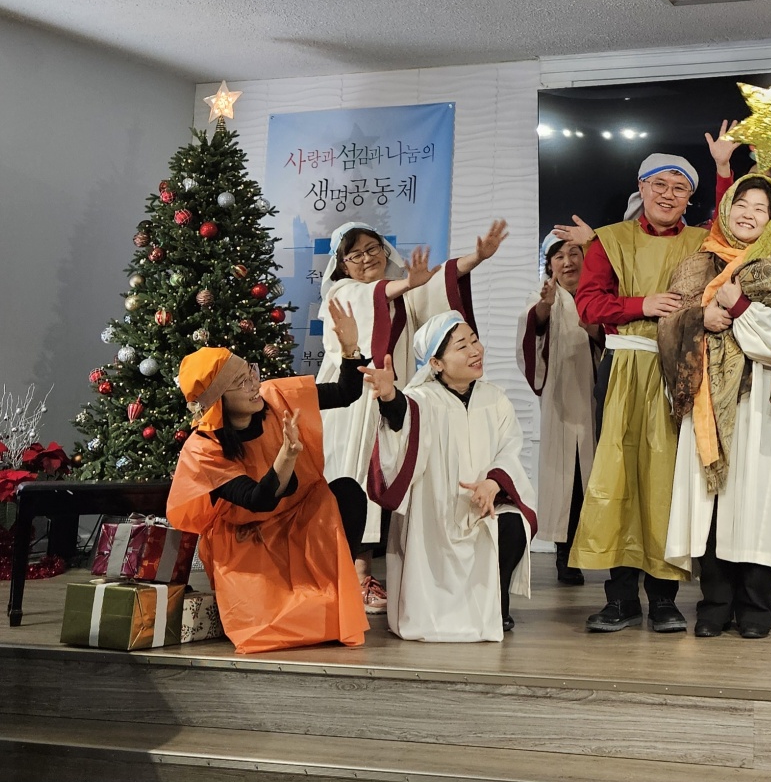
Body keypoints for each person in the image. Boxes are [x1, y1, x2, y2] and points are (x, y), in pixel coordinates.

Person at [316, 220, 507, 613]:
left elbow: (437, 288)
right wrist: (407, 283)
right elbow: (375, 295)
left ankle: (387, 574)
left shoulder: (403, 290)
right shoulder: (341, 293)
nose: (366, 259)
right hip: (354, 400)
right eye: (355, 254)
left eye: (372, 249)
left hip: (392, 396)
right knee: (357, 477)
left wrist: (477, 258)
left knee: (395, 476)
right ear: (342, 265)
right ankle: (356, 575)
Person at [658, 173, 771, 639]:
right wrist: (700, 317)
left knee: (758, 504)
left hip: (762, 405)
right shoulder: (696, 266)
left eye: (760, 209)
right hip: (708, 404)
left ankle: (756, 605)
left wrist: (740, 304)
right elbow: (668, 328)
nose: (749, 214)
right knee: (713, 502)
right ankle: (715, 604)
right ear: (727, 209)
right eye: (741, 204)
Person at [167, 300, 370, 654]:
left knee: (347, 493)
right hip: (248, 537)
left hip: (299, 515)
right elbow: (257, 500)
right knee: (268, 628)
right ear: (217, 402)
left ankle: (338, 593)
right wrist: (287, 456)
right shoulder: (204, 449)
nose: (253, 384)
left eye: (251, 372)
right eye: (240, 382)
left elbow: (345, 392)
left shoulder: (276, 397)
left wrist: (350, 349)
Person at [567, 153, 710, 633]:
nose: (668, 195)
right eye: (659, 184)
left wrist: (723, 169)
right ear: (641, 187)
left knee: (668, 479)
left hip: (679, 370)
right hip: (623, 367)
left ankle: (665, 598)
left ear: (690, 198)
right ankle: (621, 597)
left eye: (680, 188)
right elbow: (588, 305)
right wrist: (641, 304)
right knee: (618, 475)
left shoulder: (701, 242)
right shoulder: (610, 240)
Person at [364, 311, 536, 642]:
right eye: (462, 346)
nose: (476, 350)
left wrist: (493, 482)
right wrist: (389, 397)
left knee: (513, 524)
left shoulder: (495, 399)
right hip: (435, 518)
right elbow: (403, 422)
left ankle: (495, 604)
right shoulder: (422, 400)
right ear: (436, 363)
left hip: (481, 509)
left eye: (475, 340)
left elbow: (510, 448)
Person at [517, 233, 603, 585]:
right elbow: (533, 333)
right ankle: (565, 554)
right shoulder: (545, 299)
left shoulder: (598, 295)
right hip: (565, 401)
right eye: (558, 256)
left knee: (604, 475)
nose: (567, 262)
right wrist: (545, 306)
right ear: (549, 264)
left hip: (604, 399)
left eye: (574, 253)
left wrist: (594, 326)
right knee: (571, 481)